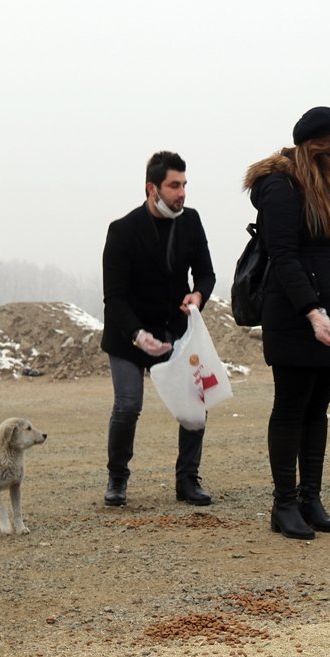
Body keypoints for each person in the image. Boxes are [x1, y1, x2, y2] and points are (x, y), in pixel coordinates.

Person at [243, 106, 330, 540]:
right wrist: (312, 313)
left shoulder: (323, 187)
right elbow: (283, 256)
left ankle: (309, 497)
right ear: (315, 144)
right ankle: (283, 504)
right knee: (291, 407)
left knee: (317, 409)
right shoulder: (279, 186)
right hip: (294, 312)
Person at [100, 151, 216, 509]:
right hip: (128, 334)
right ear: (152, 188)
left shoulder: (191, 221)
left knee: (195, 404)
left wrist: (198, 295)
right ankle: (117, 478)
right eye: (174, 185)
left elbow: (206, 274)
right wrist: (137, 334)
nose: (182, 193)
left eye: (184, 185)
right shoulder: (122, 230)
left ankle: (187, 480)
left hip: (175, 329)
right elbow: (114, 297)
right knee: (129, 404)